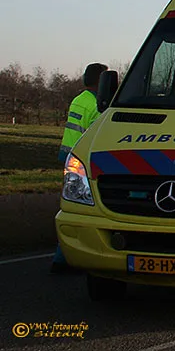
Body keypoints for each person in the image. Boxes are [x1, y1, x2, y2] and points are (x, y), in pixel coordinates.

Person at [52, 63, 108, 274]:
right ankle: (66, 256)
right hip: (83, 161)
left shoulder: (79, 99)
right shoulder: (97, 106)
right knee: (82, 208)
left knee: (70, 204)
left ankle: (62, 256)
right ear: (101, 81)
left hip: (68, 155)